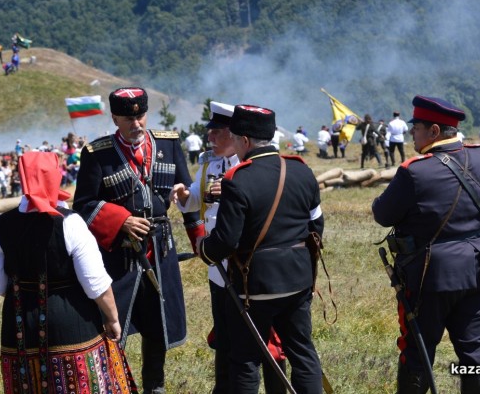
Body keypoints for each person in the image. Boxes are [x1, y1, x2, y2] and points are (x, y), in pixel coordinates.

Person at [372, 95, 480, 394]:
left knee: (418, 349)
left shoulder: (415, 171)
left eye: (417, 127)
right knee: (476, 349)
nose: (411, 132)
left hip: (430, 275)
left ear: (434, 131)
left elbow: (382, 215)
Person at [73, 87, 205, 393]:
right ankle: (114, 384)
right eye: (129, 118)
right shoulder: (98, 154)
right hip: (120, 254)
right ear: (115, 118)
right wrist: (121, 221)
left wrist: (198, 237)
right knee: (113, 323)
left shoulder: (168, 145)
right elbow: (83, 205)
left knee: (158, 325)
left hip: (161, 248)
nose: (137, 123)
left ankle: (154, 387)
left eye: (141, 115)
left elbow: (186, 196)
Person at [0, 151, 137, 393]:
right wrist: (113, 319)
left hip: (20, 328)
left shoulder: (0, 224)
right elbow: (95, 283)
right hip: (73, 326)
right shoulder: (71, 222)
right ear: (56, 176)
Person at [198, 104, 325, 393]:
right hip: (298, 280)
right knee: (303, 353)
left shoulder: (237, 180)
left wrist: (203, 247)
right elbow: (316, 227)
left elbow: (226, 240)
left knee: (245, 361)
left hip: (251, 287)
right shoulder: (302, 171)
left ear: (244, 140)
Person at [170, 101, 287, 394]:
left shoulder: (250, 163)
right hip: (217, 267)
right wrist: (184, 194)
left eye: (217, 133)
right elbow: (197, 198)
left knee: (265, 338)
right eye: (210, 133)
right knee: (224, 335)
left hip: (247, 264)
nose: (210, 138)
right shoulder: (210, 162)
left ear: (235, 135)